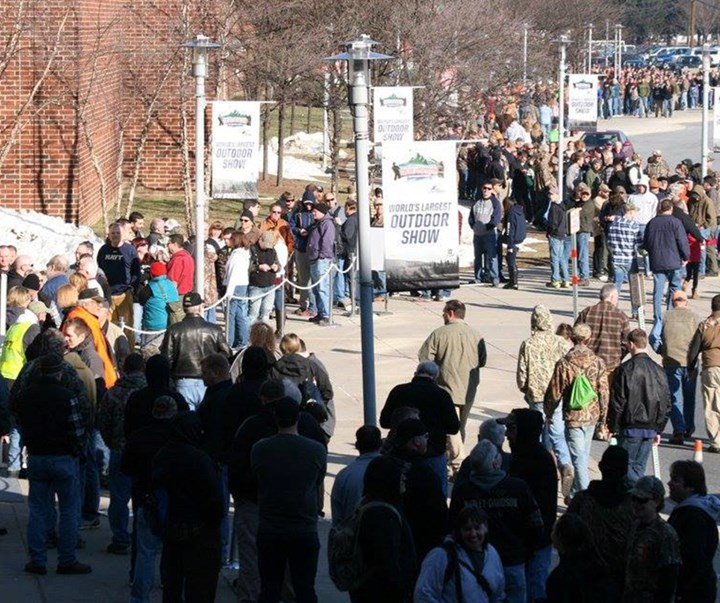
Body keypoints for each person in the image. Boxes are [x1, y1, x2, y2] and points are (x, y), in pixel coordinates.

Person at [15, 353, 91, 575]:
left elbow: (20, 422)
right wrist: (78, 452)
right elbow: (77, 430)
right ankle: (67, 559)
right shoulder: (67, 396)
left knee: (38, 509)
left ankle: (37, 560)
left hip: (37, 456)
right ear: (59, 373)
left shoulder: (26, 396)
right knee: (68, 510)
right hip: (63, 457)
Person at [251, 396, 327, 603]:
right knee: (305, 588)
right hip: (303, 526)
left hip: (271, 526)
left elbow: (257, 477)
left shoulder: (260, 448)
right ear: (298, 418)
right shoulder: (316, 450)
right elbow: (318, 481)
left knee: (269, 588)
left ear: (275, 418)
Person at [449, 440, 543, 603]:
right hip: (511, 560)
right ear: (496, 463)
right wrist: (526, 552)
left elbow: (452, 526)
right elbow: (536, 524)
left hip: (475, 563)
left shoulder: (463, 492)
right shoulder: (517, 487)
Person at [152, 412, 224, 602]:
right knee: (200, 586)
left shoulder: (163, 455)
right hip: (199, 529)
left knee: (172, 584)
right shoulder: (200, 459)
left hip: (172, 525)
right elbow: (215, 499)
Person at [418, 300, 487, 477]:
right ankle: (453, 462)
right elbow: (482, 360)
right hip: (469, 389)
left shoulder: (439, 334)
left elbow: (424, 359)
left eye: (444, 312)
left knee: (451, 430)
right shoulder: (476, 335)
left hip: (446, 388)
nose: (442, 315)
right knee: (459, 427)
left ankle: (459, 464)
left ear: (450, 313)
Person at [121, 394, 177, 603]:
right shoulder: (178, 438)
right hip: (173, 498)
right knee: (171, 550)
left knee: (145, 550)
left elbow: (126, 467)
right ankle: (167, 584)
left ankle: (140, 596)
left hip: (145, 496)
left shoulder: (139, 436)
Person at [545, 323, 609, 498]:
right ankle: (575, 493)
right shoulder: (598, 362)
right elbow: (604, 392)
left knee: (579, 458)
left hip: (573, 416)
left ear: (572, 339)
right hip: (591, 415)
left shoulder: (564, 363)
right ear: (589, 339)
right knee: (582, 455)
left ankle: (586, 497)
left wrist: (549, 412)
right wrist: (603, 418)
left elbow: (555, 391)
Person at [516, 304, 573, 495]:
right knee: (557, 433)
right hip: (557, 395)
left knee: (539, 434)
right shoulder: (561, 343)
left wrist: (525, 388)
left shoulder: (528, 344)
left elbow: (522, 373)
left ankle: (543, 469)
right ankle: (565, 463)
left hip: (537, 395)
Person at [501, 408, 557, 602]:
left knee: (534, 591)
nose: (507, 434)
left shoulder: (538, 461)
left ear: (524, 430)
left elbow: (541, 507)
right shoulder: (519, 456)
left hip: (535, 543)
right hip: (520, 541)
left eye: (511, 428)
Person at [380, 361, 460, 495]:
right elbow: (453, 428)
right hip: (433, 452)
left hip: (402, 453)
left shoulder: (399, 391)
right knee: (437, 494)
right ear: (435, 377)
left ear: (415, 374)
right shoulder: (442, 395)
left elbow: (385, 422)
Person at [349, 455, 417, 603]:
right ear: (388, 479)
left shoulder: (371, 504)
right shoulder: (382, 514)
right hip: (381, 593)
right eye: (400, 475)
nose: (404, 478)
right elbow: (386, 563)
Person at [96, 353, 146, 555]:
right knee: (143, 497)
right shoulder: (148, 392)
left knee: (118, 497)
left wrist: (111, 442)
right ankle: (142, 535)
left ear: (124, 369)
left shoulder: (114, 392)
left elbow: (103, 422)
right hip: (143, 451)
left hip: (120, 449)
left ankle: (120, 538)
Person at [567, 446, 633, 597]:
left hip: (585, 574)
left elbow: (565, 535)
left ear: (600, 466)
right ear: (625, 471)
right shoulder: (633, 505)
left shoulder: (582, 500)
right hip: (617, 576)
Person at [609, 329, 671, 483]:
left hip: (630, 427)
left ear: (631, 345)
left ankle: (636, 492)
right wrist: (659, 428)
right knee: (638, 467)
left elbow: (618, 401)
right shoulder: (659, 370)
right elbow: (666, 402)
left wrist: (613, 427)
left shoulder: (625, 369)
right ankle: (638, 494)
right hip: (650, 428)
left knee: (625, 469)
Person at [386, 418, 448, 563]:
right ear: (416, 442)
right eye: (425, 436)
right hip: (420, 542)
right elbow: (438, 512)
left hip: (388, 539)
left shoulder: (383, 466)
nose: (427, 440)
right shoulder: (425, 473)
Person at [414, 506, 505, 603]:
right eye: (467, 529)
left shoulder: (492, 553)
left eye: (477, 528)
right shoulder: (441, 555)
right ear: (459, 531)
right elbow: (423, 594)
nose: (473, 534)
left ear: (486, 527)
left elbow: (498, 595)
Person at [575, 284, 630, 438]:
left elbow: (576, 334)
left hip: (588, 364)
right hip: (611, 365)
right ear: (611, 297)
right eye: (617, 297)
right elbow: (627, 342)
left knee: (588, 395)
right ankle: (603, 427)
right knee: (607, 397)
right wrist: (619, 356)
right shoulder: (621, 316)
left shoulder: (587, 312)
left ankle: (588, 424)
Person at [160, 292, 231, 410]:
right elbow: (227, 353)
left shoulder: (174, 330)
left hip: (183, 381)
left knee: (188, 418)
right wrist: (211, 363)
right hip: (208, 379)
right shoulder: (214, 329)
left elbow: (166, 358)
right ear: (200, 307)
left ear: (184, 308)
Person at [667, 460, 720, 603]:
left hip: (692, 593)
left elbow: (693, 560)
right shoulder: (695, 510)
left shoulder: (692, 517)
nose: (669, 483)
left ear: (690, 486)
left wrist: (681, 592)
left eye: (675, 480)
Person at [624, 476, 681, 602]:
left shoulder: (665, 534)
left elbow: (669, 578)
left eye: (642, 500)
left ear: (656, 501)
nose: (635, 504)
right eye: (633, 498)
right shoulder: (635, 524)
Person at [655, 290, 700, 445]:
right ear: (686, 302)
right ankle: (689, 427)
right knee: (689, 397)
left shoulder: (665, 316)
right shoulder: (695, 317)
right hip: (690, 363)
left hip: (671, 362)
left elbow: (653, 337)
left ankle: (678, 430)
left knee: (675, 397)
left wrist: (661, 350)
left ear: (672, 302)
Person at [643, 198, 690, 328]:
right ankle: (670, 314)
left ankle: (657, 316)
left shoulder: (652, 223)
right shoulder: (676, 222)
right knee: (674, 288)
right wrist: (686, 256)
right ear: (671, 209)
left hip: (657, 261)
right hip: (674, 260)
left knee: (658, 290)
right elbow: (682, 241)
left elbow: (646, 242)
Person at [545, 513, 611, 603]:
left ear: (560, 537)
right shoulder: (597, 565)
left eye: (553, 530)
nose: (551, 533)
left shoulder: (562, 576)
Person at [96, 222, 140, 348]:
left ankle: (128, 352)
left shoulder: (130, 250)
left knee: (126, 326)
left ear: (123, 234)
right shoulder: (103, 250)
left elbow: (136, 272)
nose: (115, 235)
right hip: (107, 295)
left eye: (118, 233)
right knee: (107, 325)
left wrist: (132, 288)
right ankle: (109, 350)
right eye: (113, 233)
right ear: (108, 235)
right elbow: (99, 269)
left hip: (123, 294)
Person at [330, 425, 382, 526]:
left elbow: (337, 518)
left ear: (357, 445)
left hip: (354, 532)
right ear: (381, 444)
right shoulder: (393, 470)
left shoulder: (344, 475)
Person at [688, 293, 720, 452]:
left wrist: (691, 368)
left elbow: (694, 350)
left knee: (712, 404)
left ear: (712, 307)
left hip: (711, 367)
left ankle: (716, 441)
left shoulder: (704, 325)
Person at [307, 201, 336, 325]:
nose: (313, 213)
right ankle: (320, 312)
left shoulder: (327, 224)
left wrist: (322, 256)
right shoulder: (317, 223)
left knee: (323, 287)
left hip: (322, 260)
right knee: (316, 288)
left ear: (322, 212)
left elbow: (327, 242)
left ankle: (327, 314)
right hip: (314, 259)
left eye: (315, 211)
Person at [469, 181, 502, 286]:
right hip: (477, 235)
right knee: (477, 257)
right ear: (481, 189)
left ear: (492, 190)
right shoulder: (477, 201)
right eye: (484, 188)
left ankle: (494, 277)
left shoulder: (495, 202)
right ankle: (478, 277)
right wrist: (474, 226)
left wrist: (487, 227)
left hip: (489, 234)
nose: (486, 190)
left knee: (492, 257)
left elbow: (496, 218)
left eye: (489, 188)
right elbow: (471, 216)